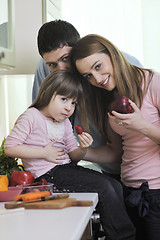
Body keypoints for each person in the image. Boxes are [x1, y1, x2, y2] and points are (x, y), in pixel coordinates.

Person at [4, 70, 136, 240]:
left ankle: (118, 235)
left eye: (74, 103)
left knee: (115, 185)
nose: (69, 107)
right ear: (48, 93)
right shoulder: (31, 116)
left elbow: (74, 155)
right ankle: (125, 237)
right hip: (47, 175)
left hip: (66, 168)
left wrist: (83, 147)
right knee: (104, 187)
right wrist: (44, 153)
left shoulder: (64, 122)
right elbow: (10, 147)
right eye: (64, 99)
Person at [70, 34, 160, 240]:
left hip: (156, 193)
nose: (97, 78)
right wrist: (81, 152)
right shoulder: (110, 99)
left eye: (98, 66)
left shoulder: (152, 82)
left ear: (112, 54)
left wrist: (142, 126)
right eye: (88, 76)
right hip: (128, 192)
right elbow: (114, 152)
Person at [32, 20, 143, 180]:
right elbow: (42, 120)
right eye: (53, 64)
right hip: (108, 167)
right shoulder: (46, 67)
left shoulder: (122, 66)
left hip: (144, 168)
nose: (61, 70)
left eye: (66, 59)